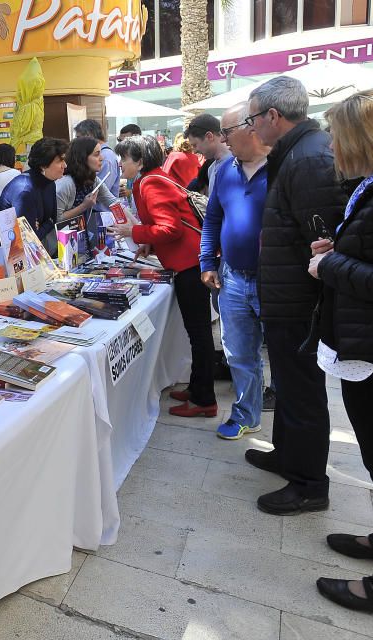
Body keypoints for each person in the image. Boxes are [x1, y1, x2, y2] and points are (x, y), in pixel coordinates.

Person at [245, 76, 347, 515]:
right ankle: (287, 456)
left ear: (273, 116)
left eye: (253, 119)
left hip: (299, 300)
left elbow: (322, 238)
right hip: (286, 295)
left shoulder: (307, 159)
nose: (250, 128)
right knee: (287, 384)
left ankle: (309, 484)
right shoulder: (296, 153)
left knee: (302, 390)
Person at [309, 91, 373, 612]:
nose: (330, 145)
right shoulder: (365, 191)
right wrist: (338, 251)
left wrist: (330, 267)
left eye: (335, 134)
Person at [113, 136, 217, 418]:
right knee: (198, 332)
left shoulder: (151, 182)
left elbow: (170, 229)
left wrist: (133, 233)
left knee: (199, 333)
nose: (121, 164)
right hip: (188, 262)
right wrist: (148, 242)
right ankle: (198, 389)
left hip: (189, 264)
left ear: (141, 161)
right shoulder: (152, 178)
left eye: (125, 159)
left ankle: (204, 399)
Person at [198, 102, 270, 440]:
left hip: (276, 282)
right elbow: (212, 219)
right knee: (239, 353)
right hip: (233, 278)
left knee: (285, 359)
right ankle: (246, 414)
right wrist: (207, 262)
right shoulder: (225, 170)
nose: (223, 139)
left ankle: (291, 427)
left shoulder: (284, 167)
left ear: (251, 128)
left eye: (227, 132)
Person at [0, 138, 69, 256]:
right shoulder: (25, 190)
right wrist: (46, 224)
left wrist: (43, 225)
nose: (64, 165)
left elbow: (53, 219)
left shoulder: (50, 183)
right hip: (13, 257)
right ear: (43, 165)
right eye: (60, 161)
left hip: (36, 252)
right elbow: (29, 239)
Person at [55, 137, 121, 252]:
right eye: (96, 155)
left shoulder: (93, 180)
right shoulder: (65, 183)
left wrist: (134, 228)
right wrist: (84, 206)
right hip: (60, 247)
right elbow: (57, 218)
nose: (102, 158)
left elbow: (113, 203)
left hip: (80, 242)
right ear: (82, 158)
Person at [185, 113, 230, 196]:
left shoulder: (238, 163)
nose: (194, 151)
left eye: (195, 145)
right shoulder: (211, 168)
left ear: (209, 136)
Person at [74, 119, 121, 198]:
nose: (77, 141)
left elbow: (97, 192)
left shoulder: (106, 157)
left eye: (78, 137)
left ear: (89, 135)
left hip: (100, 209)